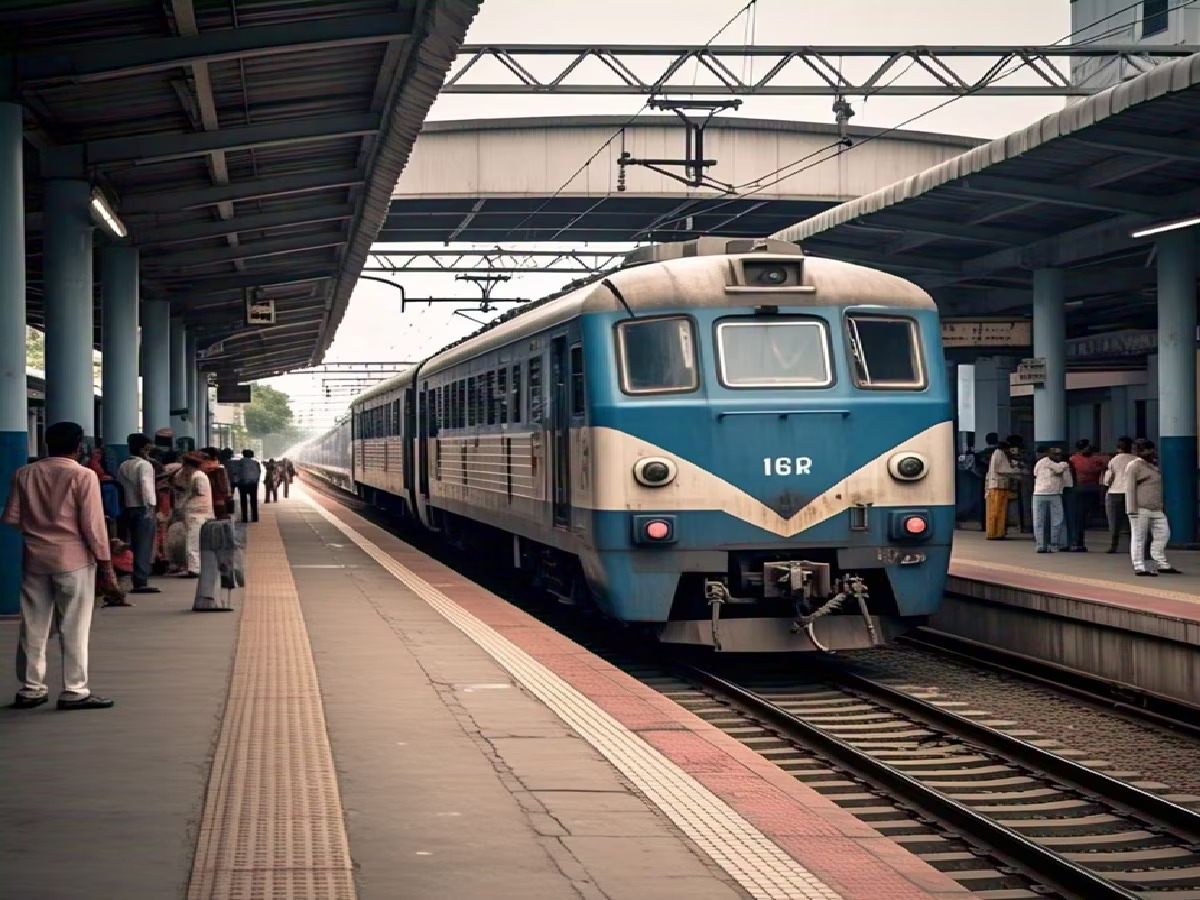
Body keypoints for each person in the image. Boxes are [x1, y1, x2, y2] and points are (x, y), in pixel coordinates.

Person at [3, 421, 117, 710]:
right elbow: (92, 525)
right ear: (79, 446)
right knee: (74, 626)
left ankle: (31, 688)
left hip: (34, 559)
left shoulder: (24, 474)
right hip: (74, 560)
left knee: (33, 624)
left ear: (45, 443)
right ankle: (74, 690)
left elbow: (12, 518)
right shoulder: (84, 475)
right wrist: (105, 563)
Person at [1125, 440, 1180, 577]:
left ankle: (1160, 562)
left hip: (1156, 508)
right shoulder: (1134, 466)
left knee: (1164, 533)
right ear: (1140, 451)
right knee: (1139, 537)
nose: (1152, 452)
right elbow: (1130, 488)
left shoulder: (1152, 465)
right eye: (1148, 450)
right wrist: (1132, 509)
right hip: (1139, 508)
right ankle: (1139, 566)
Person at [115, 433, 161, 594]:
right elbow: (145, 486)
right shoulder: (144, 465)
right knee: (144, 545)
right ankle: (141, 581)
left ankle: (135, 576)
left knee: (133, 543)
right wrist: (149, 506)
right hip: (143, 508)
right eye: (148, 447)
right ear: (143, 448)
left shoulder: (123, 465)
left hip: (128, 507)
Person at [177, 452, 215, 577]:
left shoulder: (196, 476)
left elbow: (197, 492)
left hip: (196, 513)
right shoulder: (198, 475)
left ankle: (194, 569)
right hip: (200, 512)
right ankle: (197, 567)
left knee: (193, 541)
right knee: (199, 541)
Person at [1066, 439, 1106, 551]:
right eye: (1086, 447)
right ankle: (1077, 542)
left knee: (1085, 519)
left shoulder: (1094, 458)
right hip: (1079, 491)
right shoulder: (1074, 459)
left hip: (1092, 491)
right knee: (1078, 518)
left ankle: (1078, 542)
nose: (1088, 449)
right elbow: (1089, 469)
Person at [1031, 446, 1070, 553]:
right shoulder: (1046, 462)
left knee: (1046, 521)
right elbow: (1059, 470)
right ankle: (1047, 545)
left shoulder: (1040, 463)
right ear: (1049, 453)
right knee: (1051, 520)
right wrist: (1062, 465)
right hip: (1046, 494)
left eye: (1059, 454)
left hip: (1047, 493)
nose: (1057, 456)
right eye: (1055, 454)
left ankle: (1046, 545)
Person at [1102, 437, 1137, 553]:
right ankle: (1134, 546)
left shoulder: (1114, 460)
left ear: (1118, 447)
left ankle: (1113, 545)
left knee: (1114, 521)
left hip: (1114, 492)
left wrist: (1106, 486)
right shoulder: (1136, 460)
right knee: (1132, 521)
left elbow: (1108, 478)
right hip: (1131, 493)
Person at [984, 438, 1018, 539]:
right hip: (996, 486)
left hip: (1001, 486)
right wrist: (1015, 471)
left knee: (1001, 512)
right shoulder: (999, 453)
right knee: (995, 511)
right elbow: (1001, 469)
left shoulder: (1001, 454)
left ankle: (999, 532)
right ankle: (992, 533)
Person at [200, 447, 233, 520]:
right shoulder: (220, 469)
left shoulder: (216, 471)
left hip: (211, 502)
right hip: (218, 502)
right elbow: (226, 489)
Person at [235, 449, 261, 524]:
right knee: (254, 501)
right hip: (253, 483)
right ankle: (255, 518)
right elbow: (258, 472)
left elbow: (236, 472)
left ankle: (245, 518)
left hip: (243, 483)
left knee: (243, 501)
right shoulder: (256, 463)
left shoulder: (239, 462)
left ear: (243, 454)